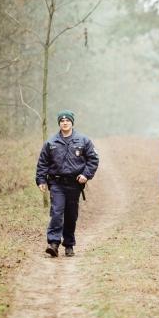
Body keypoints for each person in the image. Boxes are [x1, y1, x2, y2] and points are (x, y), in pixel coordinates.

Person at [36, 110, 100, 257]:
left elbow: (93, 159)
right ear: (59, 123)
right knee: (57, 212)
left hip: (74, 184)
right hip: (57, 184)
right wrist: (41, 180)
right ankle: (53, 243)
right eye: (62, 121)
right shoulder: (51, 143)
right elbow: (42, 163)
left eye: (67, 121)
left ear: (72, 123)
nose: (65, 123)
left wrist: (86, 174)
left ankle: (69, 244)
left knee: (71, 215)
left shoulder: (83, 140)